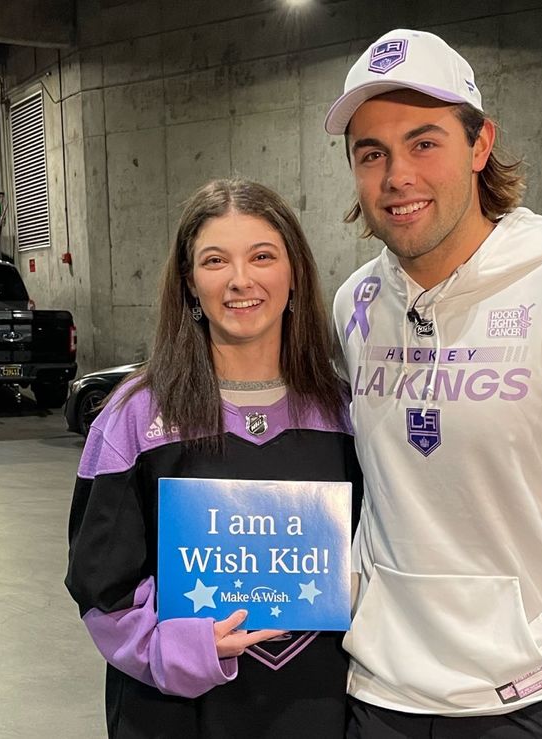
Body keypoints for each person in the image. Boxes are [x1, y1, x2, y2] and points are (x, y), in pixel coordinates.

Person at [325, 30, 542, 739]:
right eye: (372, 153)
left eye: (424, 143)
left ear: (480, 145)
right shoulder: (355, 304)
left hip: (527, 699)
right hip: (376, 692)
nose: (397, 175)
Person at [65, 178, 362, 738]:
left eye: (262, 256)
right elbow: (101, 584)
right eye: (215, 260)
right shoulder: (133, 417)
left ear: (294, 274)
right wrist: (182, 649)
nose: (240, 280)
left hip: (317, 709)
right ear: (189, 283)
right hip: (176, 717)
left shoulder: (344, 412)